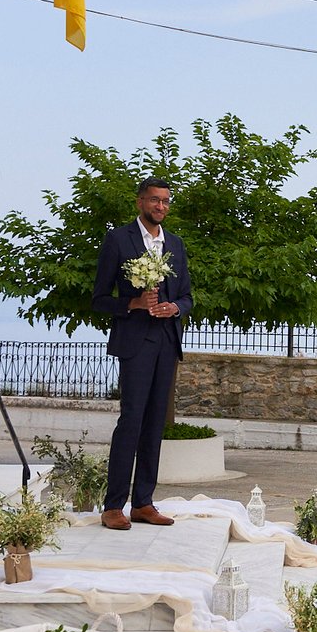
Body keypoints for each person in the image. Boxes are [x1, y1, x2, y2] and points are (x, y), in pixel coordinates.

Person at [90, 177, 194, 531]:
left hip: (166, 341)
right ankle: (113, 505)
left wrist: (174, 309)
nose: (160, 206)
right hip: (135, 343)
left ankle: (144, 503)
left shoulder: (176, 245)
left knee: (154, 425)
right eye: (154, 200)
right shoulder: (118, 240)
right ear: (140, 203)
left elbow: (187, 298)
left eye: (165, 201)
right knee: (131, 421)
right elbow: (99, 298)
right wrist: (133, 302)